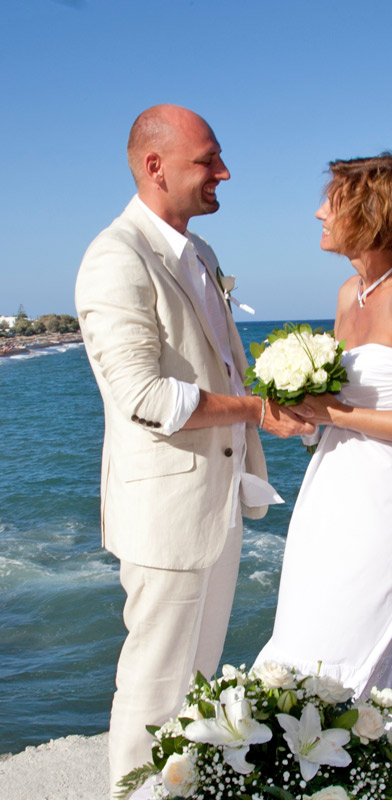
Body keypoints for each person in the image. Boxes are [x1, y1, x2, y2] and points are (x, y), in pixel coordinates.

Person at [75, 104, 314, 797]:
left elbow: (222, 365)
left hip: (216, 505)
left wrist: (294, 394)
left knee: (196, 681)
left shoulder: (200, 255)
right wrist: (257, 412)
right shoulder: (114, 258)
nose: (224, 172)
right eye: (208, 160)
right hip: (166, 514)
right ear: (156, 168)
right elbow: (145, 397)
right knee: (153, 686)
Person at [255, 153, 392, 730]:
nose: (318, 211)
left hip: (383, 500)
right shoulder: (352, 294)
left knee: (344, 645)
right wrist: (304, 416)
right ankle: (362, 770)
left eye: (333, 201)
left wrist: (338, 413)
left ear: (367, 214)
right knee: (303, 632)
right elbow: (338, 406)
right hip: (329, 487)